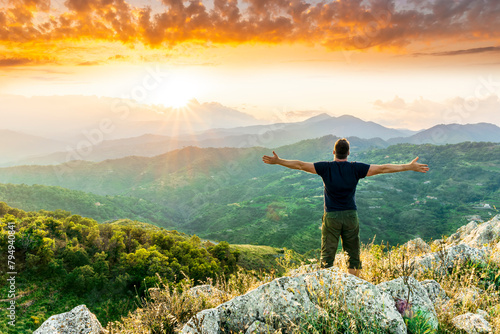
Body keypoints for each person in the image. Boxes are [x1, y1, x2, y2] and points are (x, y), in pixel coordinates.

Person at [262, 138, 429, 277]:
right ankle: (354, 287)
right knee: (353, 254)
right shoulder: (356, 168)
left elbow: (299, 164)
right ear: (348, 153)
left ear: (334, 152)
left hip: (332, 217)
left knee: (327, 255)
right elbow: (384, 168)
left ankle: (326, 288)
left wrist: (278, 161)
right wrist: (408, 166)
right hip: (350, 216)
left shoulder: (325, 168)